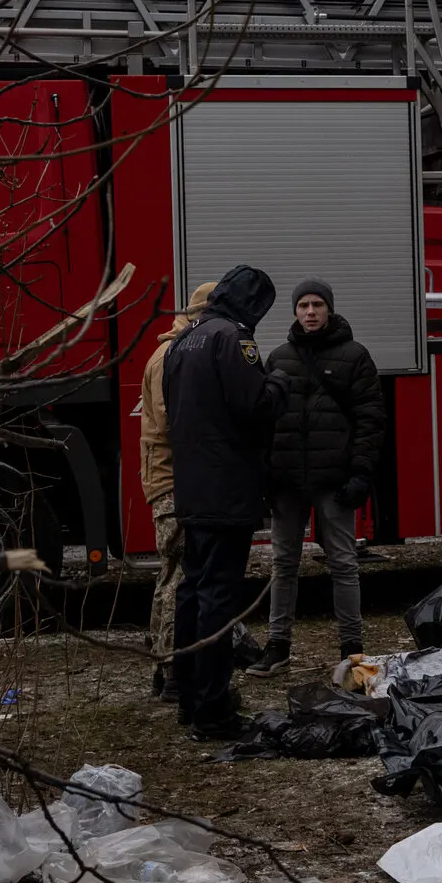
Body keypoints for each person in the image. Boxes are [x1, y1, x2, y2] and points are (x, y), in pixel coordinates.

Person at [163, 264, 288, 739]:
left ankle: (190, 699)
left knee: (193, 592)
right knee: (217, 597)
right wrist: (278, 383)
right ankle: (214, 712)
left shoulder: (182, 341)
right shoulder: (233, 339)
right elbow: (254, 406)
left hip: (193, 486)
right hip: (227, 487)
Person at [251, 277, 384, 675]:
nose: (310, 312)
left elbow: (370, 420)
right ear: (294, 311)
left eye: (317, 305)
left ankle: (352, 649)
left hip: (334, 481)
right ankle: (278, 647)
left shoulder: (355, 356)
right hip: (287, 482)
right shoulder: (278, 358)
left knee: (343, 563)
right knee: (283, 564)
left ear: (329, 309)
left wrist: (360, 473)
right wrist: (264, 477)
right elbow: (264, 425)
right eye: (303, 305)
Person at [138, 280, 214, 702]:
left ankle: (162, 667)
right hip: (172, 481)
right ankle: (171, 671)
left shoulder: (166, 351)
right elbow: (171, 422)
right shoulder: (172, 355)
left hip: (165, 477)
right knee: (179, 577)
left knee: (169, 576)